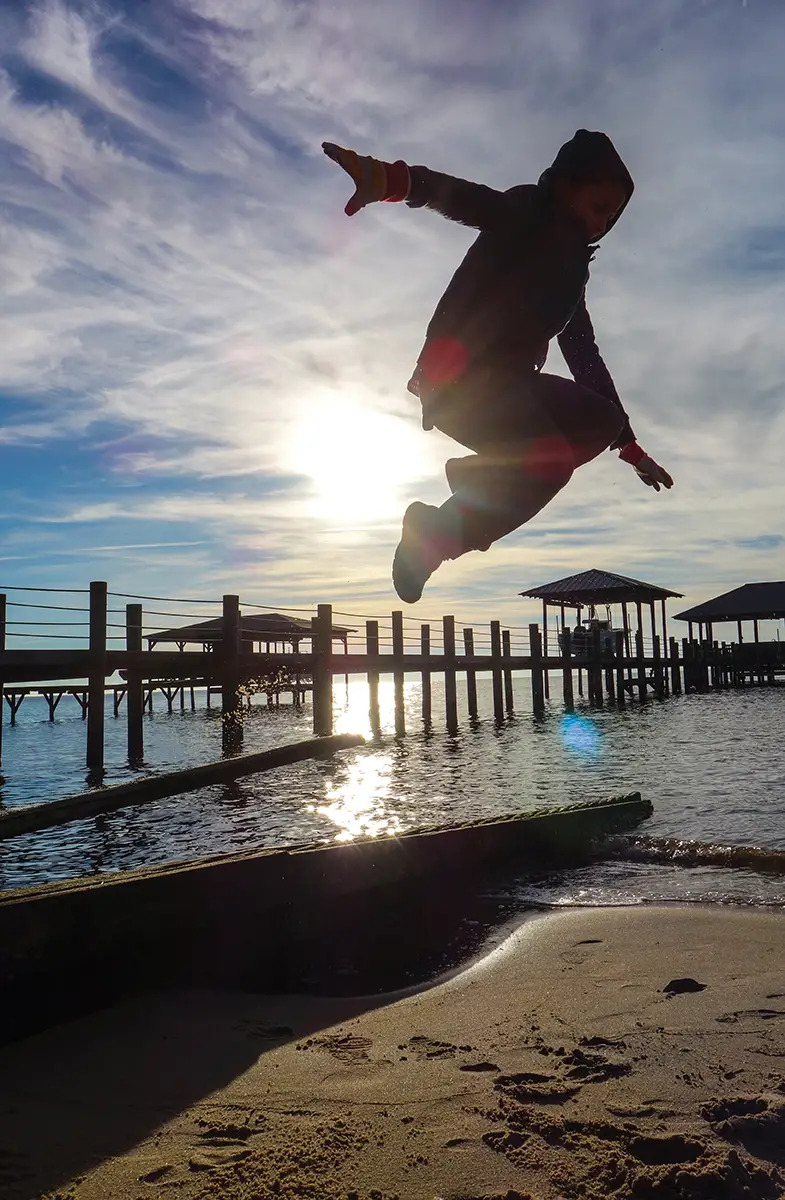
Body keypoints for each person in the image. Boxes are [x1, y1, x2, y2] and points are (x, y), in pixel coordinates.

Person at [323, 131, 673, 603]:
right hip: (459, 383)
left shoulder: (573, 272)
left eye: (610, 217)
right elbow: (467, 200)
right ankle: (435, 535)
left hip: (511, 387)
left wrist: (629, 448)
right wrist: (390, 179)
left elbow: (584, 353)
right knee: (550, 464)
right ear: (564, 186)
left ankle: (486, 481)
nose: (600, 224)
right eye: (596, 207)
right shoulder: (527, 213)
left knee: (602, 420)